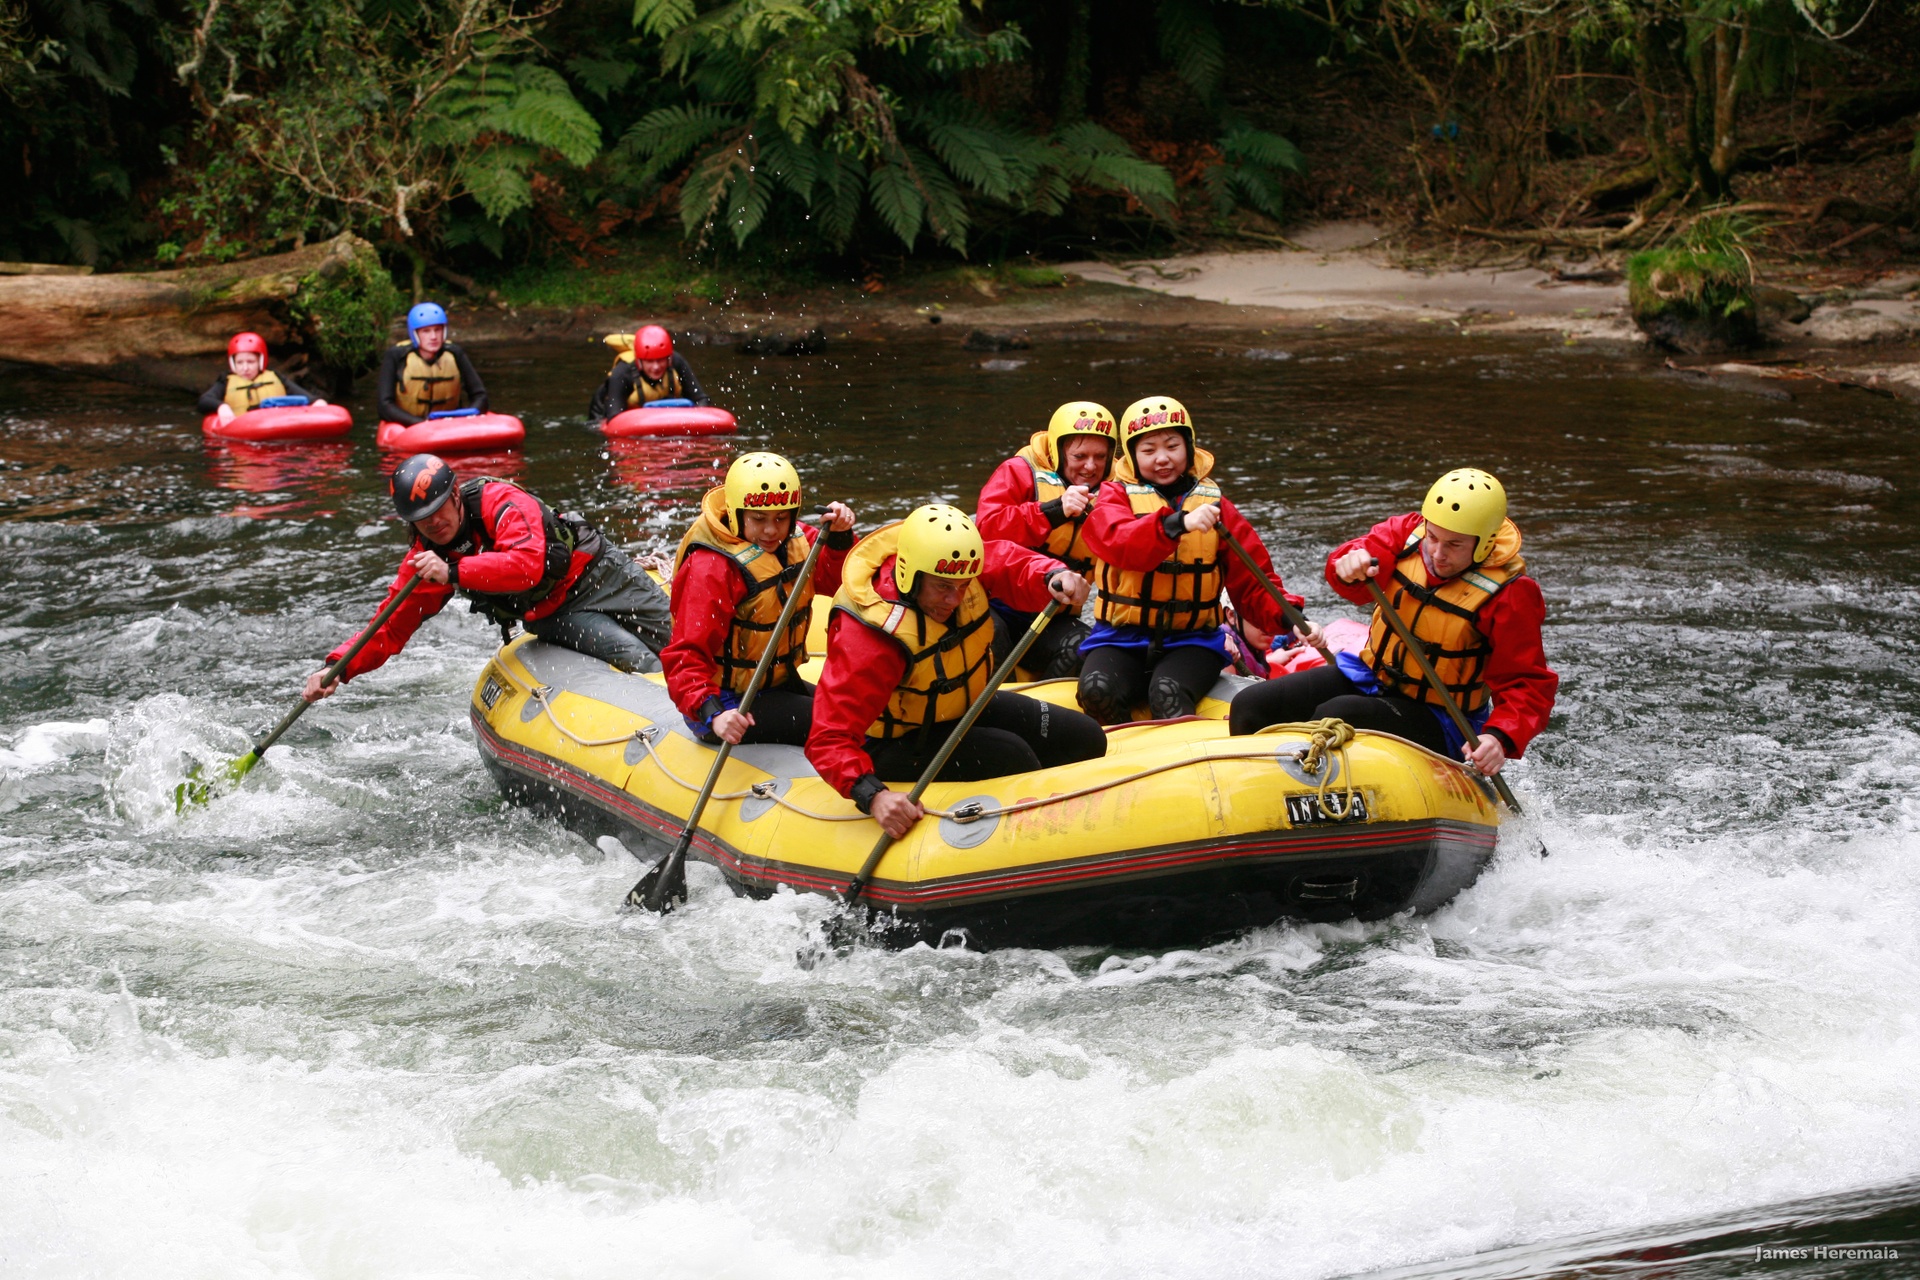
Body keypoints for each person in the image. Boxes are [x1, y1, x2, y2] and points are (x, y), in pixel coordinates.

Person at [1228, 469, 1557, 776]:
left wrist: (1499, 738)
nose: (1438, 553)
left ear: (1484, 542)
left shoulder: (1510, 594)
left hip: (1442, 718)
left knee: (1337, 715)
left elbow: (1527, 684)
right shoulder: (1407, 534)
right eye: (1434, 538)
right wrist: (1350, 561)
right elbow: (1356, 568)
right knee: (1251, 705)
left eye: (1454, 544)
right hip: (1371, 678)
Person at [807, 505, 1108, 838]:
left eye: (963, 586)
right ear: (910, 575)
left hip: (959, 709)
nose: (954, 599)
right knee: (1013, 756)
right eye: (942, 588)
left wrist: (1052, 575)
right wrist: (872, 795)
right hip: (893, 741)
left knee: (1085, 737)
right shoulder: (873, 637)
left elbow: (1007, 560)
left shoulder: (956, 567)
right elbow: (828, 739)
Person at [302, 454, 672, 703]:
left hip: (600, 575)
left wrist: (452, 572)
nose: (433, 522)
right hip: (555, 613)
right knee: (638, 658)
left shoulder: (501, 502)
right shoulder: (425, 559)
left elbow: (526, 566)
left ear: (456, 495)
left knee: (680, 636)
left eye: (438, 507)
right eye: (421, 517)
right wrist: (337, 666)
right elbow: (390, 626)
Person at [1076, 395, 1316, 724]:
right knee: (1095, 689)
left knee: (1167, 692)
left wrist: (1293, 621)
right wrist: (1177, 523)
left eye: (1172, 446)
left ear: (1188, 447)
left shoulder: (1217, 508)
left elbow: (1254, 583)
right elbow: (1119, 543)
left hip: (1192, 640)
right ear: (1132, 456)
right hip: (1121, 635)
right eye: (1148, 450)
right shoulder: (1113, 497)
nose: (1162, 458)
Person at [660, 452, 857, 746]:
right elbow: (684, 655)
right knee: (843, 728)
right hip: (725, 705)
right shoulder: (711, 567)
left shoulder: (795, 539)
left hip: (773, 686)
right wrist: (713, 714)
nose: (770, 530)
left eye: (781, 518)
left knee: (862, 716)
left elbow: (836, 580)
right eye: (759, 519)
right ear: (737, 514)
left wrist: (840, 536)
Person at [973, 400, 1117, 678]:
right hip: (996, 606)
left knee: (1084, 650)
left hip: (1053, 616)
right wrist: (1053, 511)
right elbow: (986, 531)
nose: (1091, 466)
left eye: (1100, 456)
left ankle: (1047, 712)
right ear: (1058, 451)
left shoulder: (1119, 490)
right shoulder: (1018, 471)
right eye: (1080, 456)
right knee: (994, 637)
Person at [377, 302, 489, 426]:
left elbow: (480, 396)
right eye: (426, 331)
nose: (433, 337)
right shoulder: (396, 356)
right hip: (409, 425)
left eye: (438, 330)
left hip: (450, 424)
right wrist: (419, 424)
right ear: (415, 334)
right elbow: (384, 406)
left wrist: (469, 417)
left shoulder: (455, 353)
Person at [589, 324, 711, 422]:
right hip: (602, 416)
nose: (656, 367)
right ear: (639, 362)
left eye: (660, 360)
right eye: (650, 362)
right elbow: (614, 417)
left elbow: (701, 399)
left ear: (668, 359)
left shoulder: (676, 362)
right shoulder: (622, 373)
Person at [197, 332, 324, 422]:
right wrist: (222, 407)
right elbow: (203, 402)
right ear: (232, 363)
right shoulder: (225, 381)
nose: (245, 368)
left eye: (250, 362)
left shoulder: (275, 377)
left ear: (260, 362)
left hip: (277, 425)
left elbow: (306, 397)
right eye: (240, 363)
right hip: (242, 429)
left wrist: (317, 402)